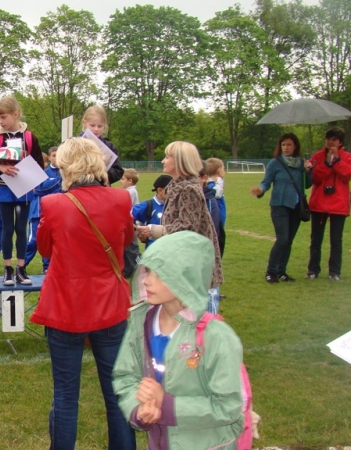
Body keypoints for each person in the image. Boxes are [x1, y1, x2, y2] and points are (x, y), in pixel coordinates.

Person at [30, 137, 136, 450]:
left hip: (66, 307)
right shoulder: (120, 201)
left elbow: (45, 248)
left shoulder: (54, 203)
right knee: (116, 392)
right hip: (109, 304)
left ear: (67, 168)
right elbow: (127, 238)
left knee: (65, 395)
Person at [112, 231, 244, 450]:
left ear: (187, 279)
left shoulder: (216, 336)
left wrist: (167, 405)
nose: (147, 280)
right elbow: (125, 376)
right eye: (148, 271)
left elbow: (228, 407)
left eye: (160, 274)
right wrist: (139, 410)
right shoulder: (141, 322)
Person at [136, 141, 223, 313]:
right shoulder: (178, 186)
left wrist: (154, 231)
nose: (163, 160)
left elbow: (187, 227)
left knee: (197, 319)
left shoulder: (188, 189)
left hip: (194, 264)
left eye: (168, 157)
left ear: (180, 161)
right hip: (184, 261)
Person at [0, 96, 44, 286]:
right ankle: (8, 269)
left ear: (15, 114)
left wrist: (32, 177)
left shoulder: (29, 137)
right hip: (4, 189)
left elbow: (40, 164)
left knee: (21, 229)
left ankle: (21, 268)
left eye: (3, 117)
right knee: (7, 228)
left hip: (25, 190)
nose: (1, 122)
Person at [250, 133, 311, 283]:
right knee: (282, 239)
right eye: (283, 145)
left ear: (295, 146)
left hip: (296, 206)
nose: (286, 148)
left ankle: (282, 271)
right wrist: (261, 190)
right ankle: (271, 272)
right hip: (279, 205)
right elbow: (266, 181)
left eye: (289, 144)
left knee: (289, 240)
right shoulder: (275, 163)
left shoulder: (301, 163)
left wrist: (308, 170)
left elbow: (308, 184)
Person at [303, 128, 351, 281]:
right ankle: (313, 270)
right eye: (328, 139)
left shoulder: (347, 157)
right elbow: (316, 178)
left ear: (340, 142)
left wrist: (337, 161)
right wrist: (326, 162)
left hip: (338, 205)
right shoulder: (318, 156)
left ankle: (334, 272)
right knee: (316, 240)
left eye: (334, 140)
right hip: (319, 204)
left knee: (336, 240)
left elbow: (347, 175)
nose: (331, 142)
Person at [24, 146, 61, 273]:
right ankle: (21, 264)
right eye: (54, 155)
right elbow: (39, 189)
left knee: (51, 241)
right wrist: (58, 182)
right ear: (50, 157)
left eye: (59, 155)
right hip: (38, 212)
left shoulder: (66, 173)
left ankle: (47, 267)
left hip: (57, 213)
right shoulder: (44, 173)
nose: (57, 158)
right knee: (33, 241)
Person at [77, 104, 124, 185]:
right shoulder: (74, 144)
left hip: (101, 187)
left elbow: (118, 171)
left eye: (100, 126)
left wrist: (102, 172)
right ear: (84, 123)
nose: (96, 129)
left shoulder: (109, 146)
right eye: (92, 125)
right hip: (79, 188)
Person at [132, 175, 171, 248]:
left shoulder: (176, 205)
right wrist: (138, 232)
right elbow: (126, 217)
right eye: (171, 189)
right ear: (160, 190)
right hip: (153, 251)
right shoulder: (147, 205)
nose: (174, 192)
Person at [121, 168, 141, 278]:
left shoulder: (130, 192)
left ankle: (134, 266)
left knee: (131, 247)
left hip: (131, 221)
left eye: (123, 179)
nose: (120, 181)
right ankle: (129, 267)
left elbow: (127, 207)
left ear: (130, 181)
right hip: (130, 220)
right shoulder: (130, 191)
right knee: (127, 247)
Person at [206, 157, 227, 257]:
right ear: (219, 170)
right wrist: (220, 179)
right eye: (223, 168)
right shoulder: (212, 184)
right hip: (216, 219)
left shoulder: (210, 183)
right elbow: (217, 194)